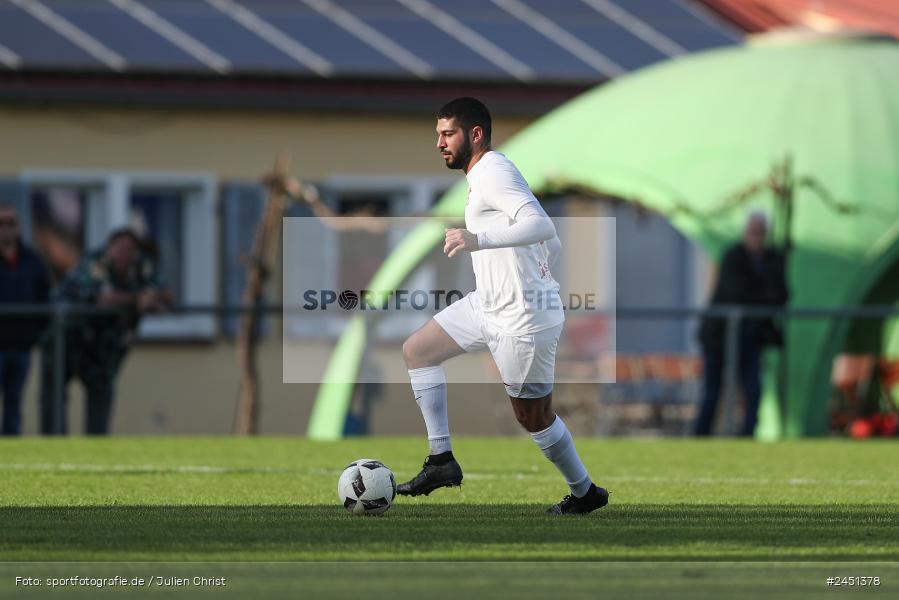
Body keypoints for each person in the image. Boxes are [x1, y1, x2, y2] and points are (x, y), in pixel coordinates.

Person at [397, 97, 609, 515]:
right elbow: (550, 238)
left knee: (533, 418)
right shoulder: (484, 175)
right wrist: (537, 266)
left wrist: (478, 240)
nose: (440, 143)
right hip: (488, 305)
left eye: (448, 134)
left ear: (475, 134)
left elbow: (542, 225)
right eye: (437, 135)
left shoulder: (493, 170)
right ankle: (441, 461)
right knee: (418, 350)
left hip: (521, 319)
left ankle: (585, 493)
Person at [40, 228, 170, 435]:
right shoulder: (95, 262)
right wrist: (139, 299)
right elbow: (104, 299)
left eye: (130, 250)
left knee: (101, 399)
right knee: (54, 400)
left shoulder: (142, 265)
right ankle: (54, 450)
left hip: (103, 349)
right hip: (66, 339)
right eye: (120, 249)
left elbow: (165, 293)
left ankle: (96, 451)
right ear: (110, 249)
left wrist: (153, 298)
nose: (124, 255)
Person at [695, 212, 789, 436]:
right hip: (719, 337)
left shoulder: (771, 259)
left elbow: (782, 295)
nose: (756, 237)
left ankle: (747, 436)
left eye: (760, 232)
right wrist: (764, 296)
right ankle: (700, 436)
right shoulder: (733, 256)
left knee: (753, 389)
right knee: (712, 392)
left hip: (749, 337)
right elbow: (738, 293)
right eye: (752, 231)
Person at [0, 201, 50, 435]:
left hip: (21, 346)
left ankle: (10, 456)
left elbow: (44, 297)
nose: (6, 228)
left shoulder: (32, 260)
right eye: (1, 223)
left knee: (14, 404)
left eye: (10, 223)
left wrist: (35, 334)